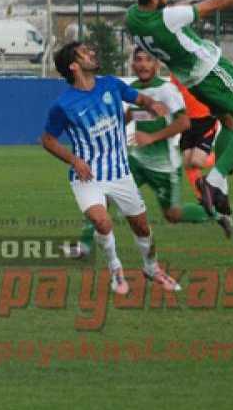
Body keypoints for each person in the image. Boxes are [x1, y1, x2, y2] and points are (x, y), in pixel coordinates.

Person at [125, 0, 233, 236]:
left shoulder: (132, 19)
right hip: (214, 72)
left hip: (194, 82)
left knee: (230, 123)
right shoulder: (167, 17)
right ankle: (213, 182)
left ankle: (221, 193)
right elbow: (216, 4)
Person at [41, 42, 180, 295]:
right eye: (85, 52)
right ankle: (116, 270)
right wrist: (74, 160)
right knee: (101, 221)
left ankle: (152, 268)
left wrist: (151, 105)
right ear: (73, 66)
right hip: (87, 176)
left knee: (141, 227)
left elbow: (138, 97)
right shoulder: (63, 105)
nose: (93, 53)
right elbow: (48, 140)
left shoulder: (111, 84)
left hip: (120, 174)